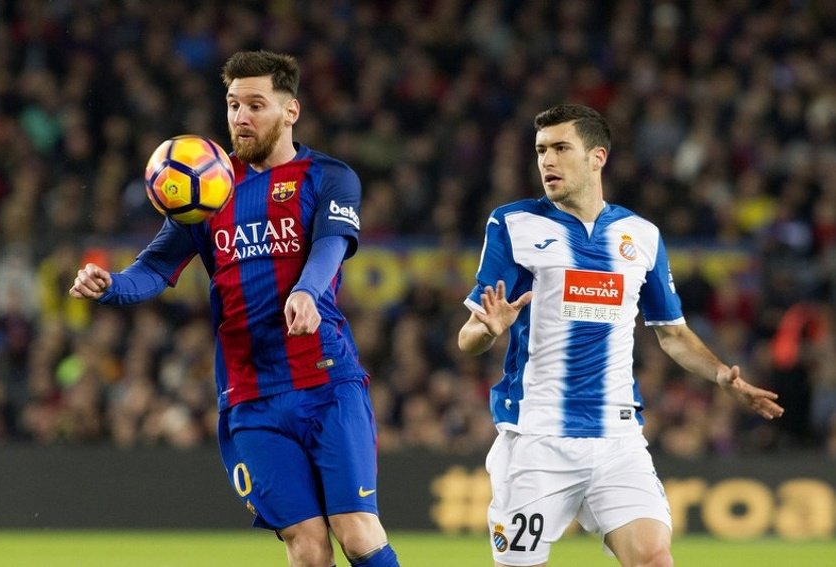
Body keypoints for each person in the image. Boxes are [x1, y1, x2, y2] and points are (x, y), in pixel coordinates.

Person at [69, 50, 399, 567]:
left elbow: (331, 245)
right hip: (249, 395)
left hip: (326, 380)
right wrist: (110, 285)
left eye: (255, 105)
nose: (241, 117)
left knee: (356, 532)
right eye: (233, 105)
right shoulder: (209, 184)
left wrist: (307, 291)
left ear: (290, 110)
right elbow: (155, 268)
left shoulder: (329, 177)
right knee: (307, 547)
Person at [457, 103, 784, 567]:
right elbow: (468, 337)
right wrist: (487, 330)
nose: (547, 160)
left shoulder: (641, 235)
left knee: (654, 559)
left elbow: (672, 333)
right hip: (537, 437)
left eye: (560, 148)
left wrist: (719, 375)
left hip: (617, 437)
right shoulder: (514, 224)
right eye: (541, 150)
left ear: (598, 157)